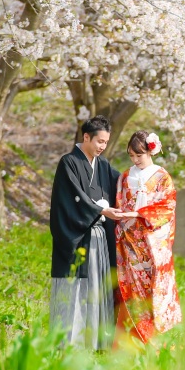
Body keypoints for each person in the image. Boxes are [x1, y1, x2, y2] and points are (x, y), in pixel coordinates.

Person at [49, 115, 122, 350]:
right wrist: (101, 209)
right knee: (77, 287)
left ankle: (96, 341)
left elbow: (122, 184)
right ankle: (68, 342)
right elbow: (70, 198)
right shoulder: (68, 162)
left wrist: (146, 178)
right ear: (86, 137)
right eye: (99, 141)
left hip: (100, 238)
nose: (102, 147)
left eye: (105, 142)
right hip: (78, 236)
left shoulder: (103, 165)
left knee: (98, 286)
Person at [114, 130, 182, 346]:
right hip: (130, 240)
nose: (135, 160)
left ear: (150, 152)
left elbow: (167, 207)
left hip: (152, 242)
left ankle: (156, 342)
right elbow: (120, 203)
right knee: (132, 290)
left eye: (139, 156)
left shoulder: (162, 176)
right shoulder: (125, 177)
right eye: (131, 156)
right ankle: (130, 342)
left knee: (154, 288)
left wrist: (138, 214)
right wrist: (124, 217)